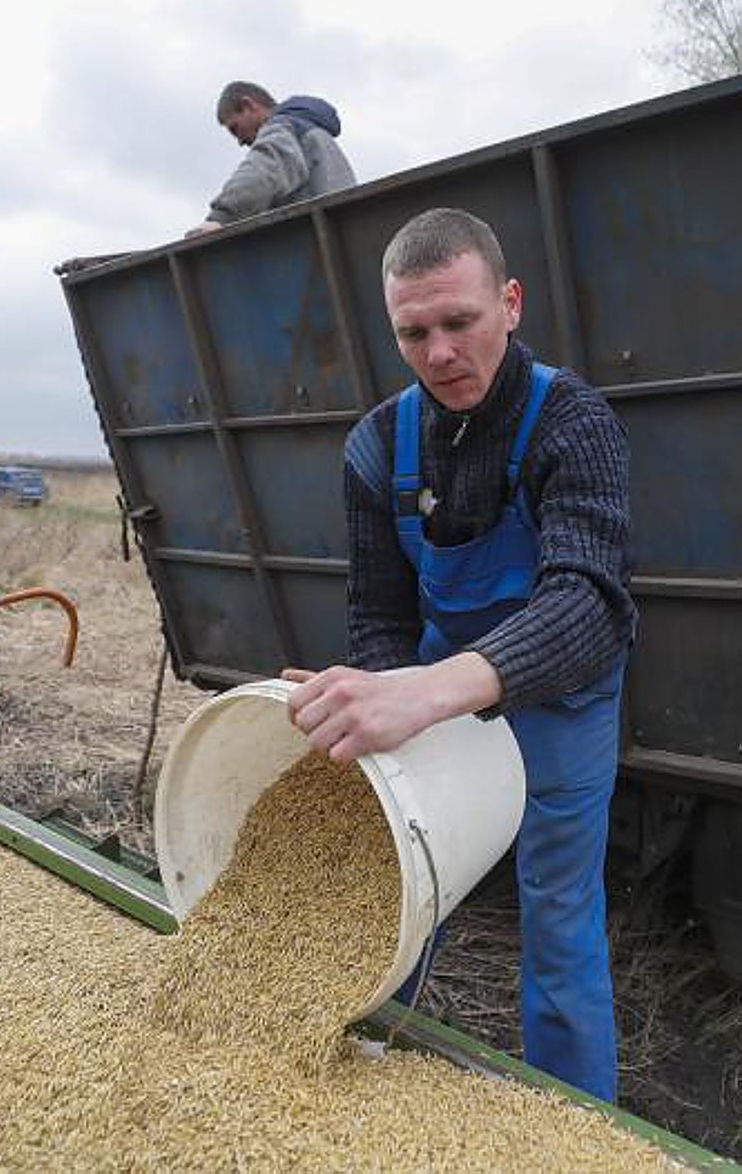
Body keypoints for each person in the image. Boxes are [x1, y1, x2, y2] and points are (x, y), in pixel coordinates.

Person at [283, 207, 635, 1103]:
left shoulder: (573, 421)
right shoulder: (376, 445)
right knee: (396, 884)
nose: (439, 352)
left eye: (460, 322)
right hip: (431, 696)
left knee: (558, 913)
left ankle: (572, 1129)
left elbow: (588, 602)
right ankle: (348, 1075)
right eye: (415, 332)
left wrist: (430, 692)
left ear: (509, 303)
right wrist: (381, 694)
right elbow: (379, 617)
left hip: (561, 704)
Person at [185, 81, 356, 238]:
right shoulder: (313, 133)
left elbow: (263, 170)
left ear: (248, 105)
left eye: (235, 129)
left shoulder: (283, 128)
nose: (240, 141)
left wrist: (219, 218)